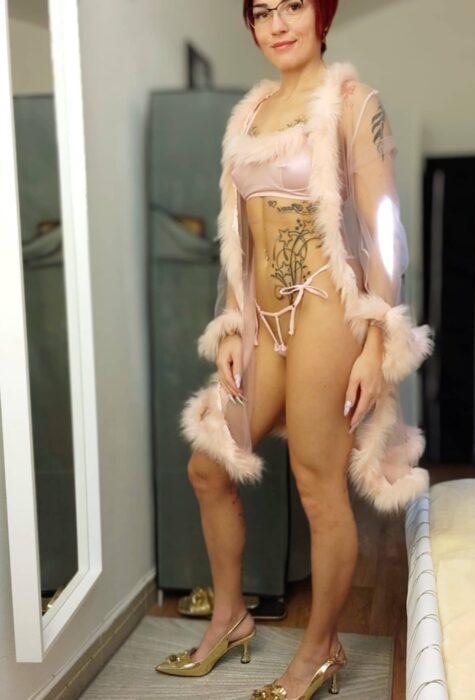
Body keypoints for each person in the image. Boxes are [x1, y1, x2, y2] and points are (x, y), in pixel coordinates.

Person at [156, 0, 434, 697]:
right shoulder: (249, 115)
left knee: (317, 485)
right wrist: (230, 322)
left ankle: (320, 649)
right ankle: (230, 618)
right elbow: (238, 236)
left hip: (326, 311)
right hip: (262, 320)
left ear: (322, 14)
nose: (278, 24)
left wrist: (376, 340)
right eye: (262, 11)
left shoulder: (353, 103)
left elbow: (385, 229)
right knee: (207, 468)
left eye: (293, 6)